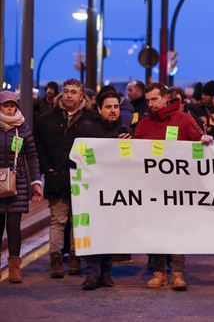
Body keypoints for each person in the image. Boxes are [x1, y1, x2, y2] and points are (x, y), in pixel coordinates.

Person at [133, 82, 205, 291]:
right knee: (156, 231)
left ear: (166, 98)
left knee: (176, 230)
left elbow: (199, 142)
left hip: (179, 189)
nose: (151, 104)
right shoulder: (144, 124)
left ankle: (178, 274)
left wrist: (205, 140)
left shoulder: (183, 119)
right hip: (152, 189)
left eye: (154, 99)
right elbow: (135, 152)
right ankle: (159, 273)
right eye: (147, 100)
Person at [35, 79, 96, 278]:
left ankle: (75, 258)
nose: (69, 95)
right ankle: (56, 260)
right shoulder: (46, 119)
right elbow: (39, 147)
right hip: (56, 177)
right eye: (66, 91)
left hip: (82, 179)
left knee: (78, 222)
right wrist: (48, 169)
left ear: (81, 96)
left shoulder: (92, 119)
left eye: (74, 92)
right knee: (58, 220)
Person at [75, 90, 131, 290]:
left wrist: (128, 146)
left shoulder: (124, 129)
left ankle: (106, 273)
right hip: (91, 188)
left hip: (113, 190)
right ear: (99, 109)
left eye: (116, 107)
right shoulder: (87, 128)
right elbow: (73, 157)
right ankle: (92, 274)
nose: (113, 111)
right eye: (108, 107)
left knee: (109, 231)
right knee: (92, 231)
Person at [0, 91, 42, 283]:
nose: (10, 108)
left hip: (18, 183)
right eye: (5, 105)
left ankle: (14, 268)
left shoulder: (23, 128)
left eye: (12, 105)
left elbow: (32, 156)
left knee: (14, 225)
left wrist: (36, 182)